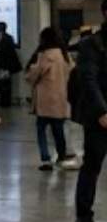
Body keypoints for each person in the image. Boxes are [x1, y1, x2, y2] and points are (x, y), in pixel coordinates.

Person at [70, 2, 107, 222]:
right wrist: (102, 111)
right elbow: (88, 80)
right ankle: (84, 216)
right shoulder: (91, 45)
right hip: (99, 117)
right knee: (92, 166)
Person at [24, 26, 75, 172]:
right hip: (61, 98)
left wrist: (29, 74)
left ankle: (46, 159)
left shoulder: (45, 55)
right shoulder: (66, 55)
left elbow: (35, 74)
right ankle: (61, 156)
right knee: (58, 130)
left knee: (41, 129)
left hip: (45, 100)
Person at [0, 21, 22, 107]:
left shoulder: (1, 39)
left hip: (3, 65)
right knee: (6, 84)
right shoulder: (9, 38)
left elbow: (0, 51)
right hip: (8, 66)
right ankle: (5, 102)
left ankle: (4, 102)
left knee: (3, 84)